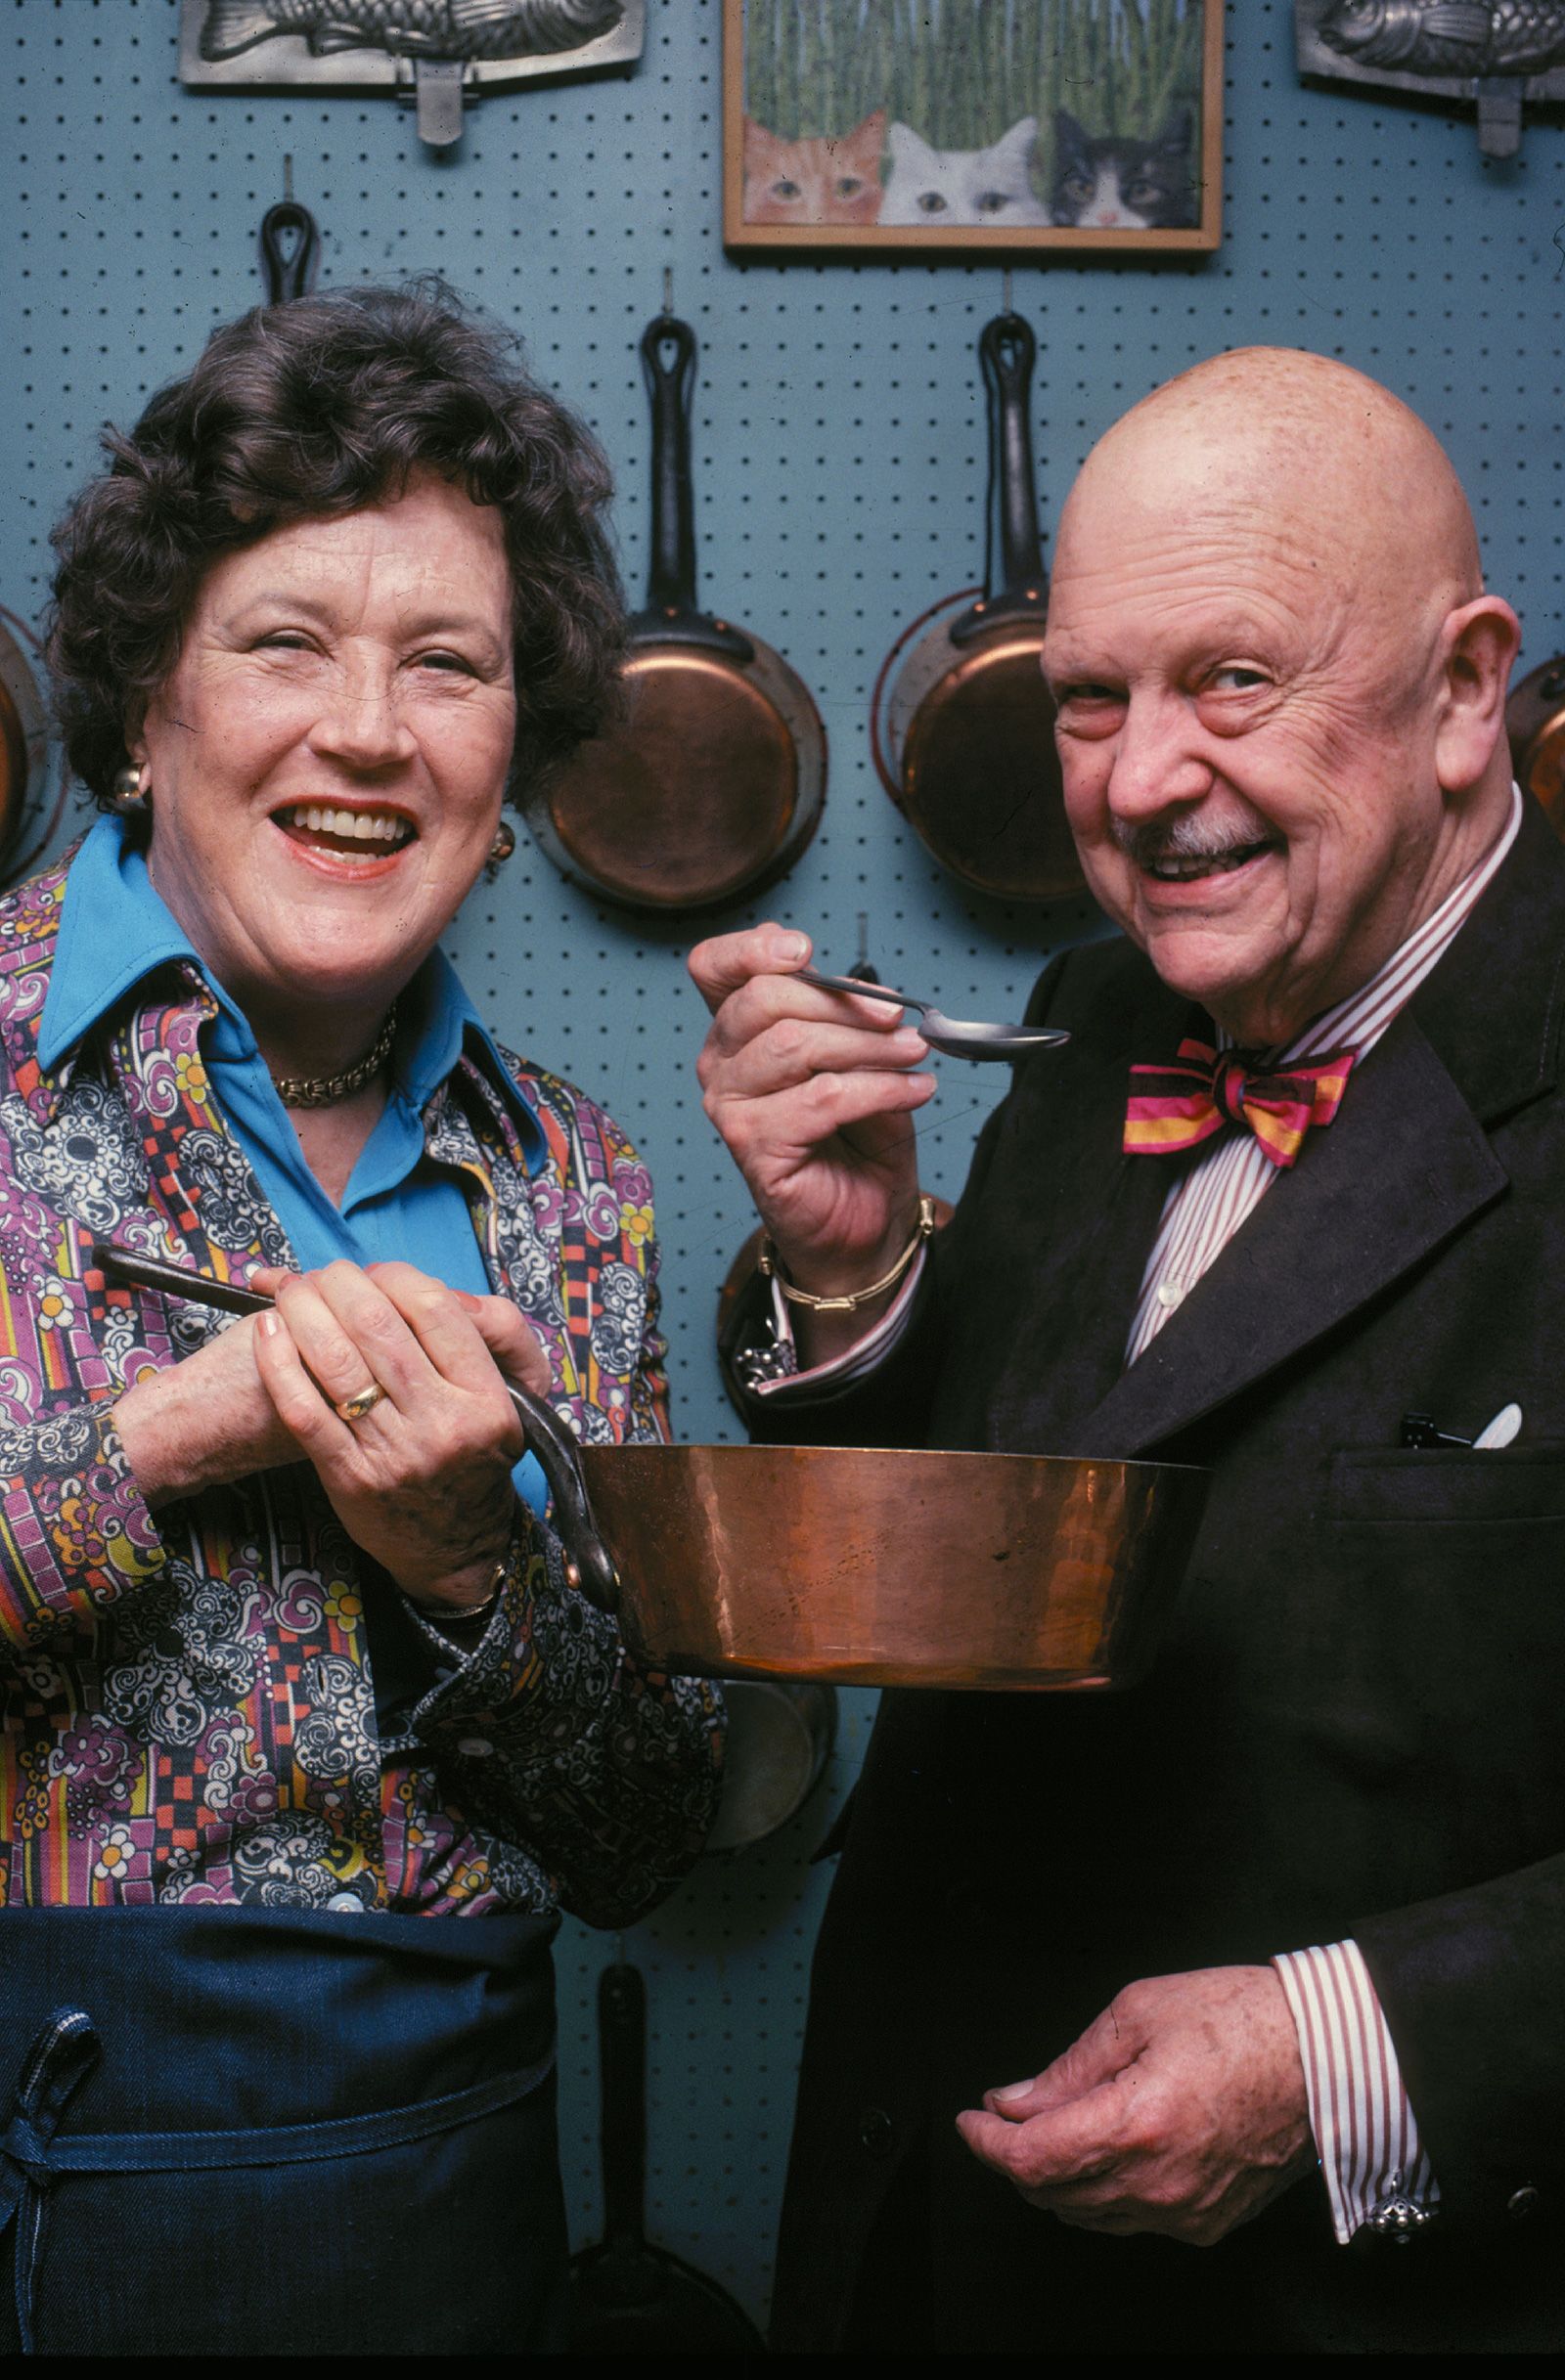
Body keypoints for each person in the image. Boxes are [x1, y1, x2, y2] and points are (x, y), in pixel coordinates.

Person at [693, 348, 1561, 2355]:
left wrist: (1335, 2049)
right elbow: (1018, 1531)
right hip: (943, 2242)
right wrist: (844, 1272)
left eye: (1230, 680)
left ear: (1456, 690)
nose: (1138, 778)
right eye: (1092, 695)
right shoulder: (1092, 1013)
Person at [0, 283, 721, 2358]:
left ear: (513, 747)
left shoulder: (570, 1181)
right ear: (146, 701)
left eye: (447, 664)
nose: (370, 731)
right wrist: (170, 1435)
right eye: (285, 643)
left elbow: (640, 1837)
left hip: (444, 2197)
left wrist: (469, 1565)